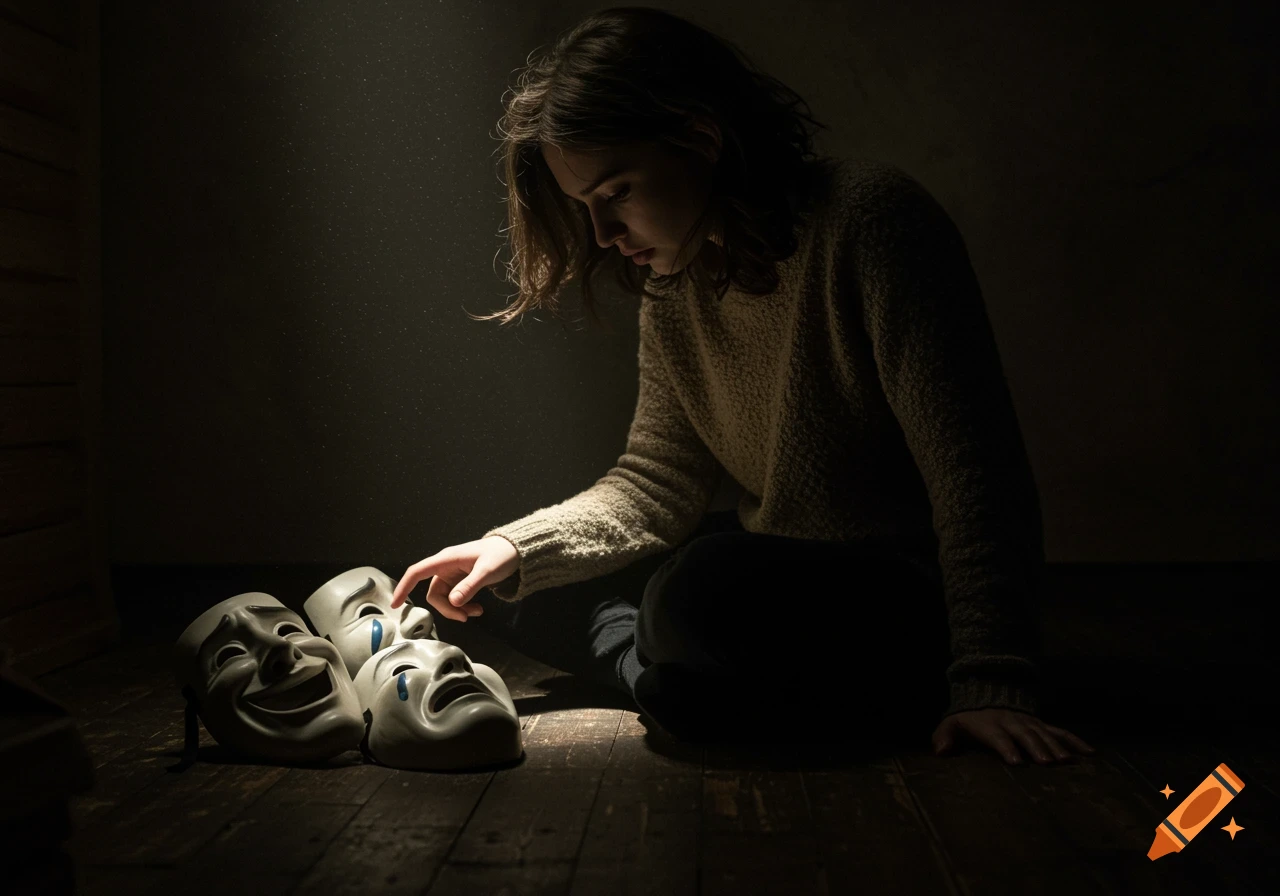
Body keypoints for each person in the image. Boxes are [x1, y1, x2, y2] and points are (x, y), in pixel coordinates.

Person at [391, 7, 1094, 763]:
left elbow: (976, 477)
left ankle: (670, 674)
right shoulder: (674, 283)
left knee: (700, 587)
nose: (603, 236)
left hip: (895, 598)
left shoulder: (873, 222)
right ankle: (680, 685)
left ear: (701, 138)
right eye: (585, 208)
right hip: (774, 583)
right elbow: (656, 482)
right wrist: (512, 548)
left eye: (617, 192)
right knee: (522, 586)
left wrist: (991, 681)